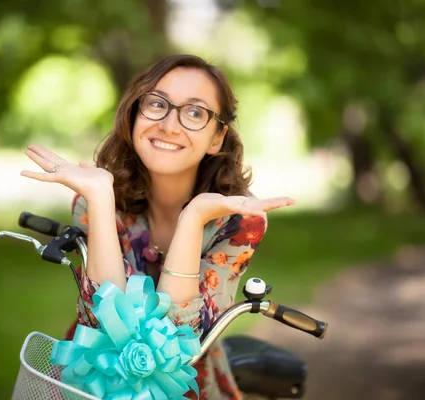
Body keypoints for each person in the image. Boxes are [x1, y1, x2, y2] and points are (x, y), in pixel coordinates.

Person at [21, 54, 295, 399]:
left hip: (187, 382)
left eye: (195, 113)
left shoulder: (239, 220)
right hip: (95, 373)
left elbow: (181, 341)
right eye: (156, 104)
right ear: (134, 114)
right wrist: (101, 198)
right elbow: (103, 322)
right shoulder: (95, 200)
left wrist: (194, 219)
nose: (169, 125)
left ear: (217, 138)